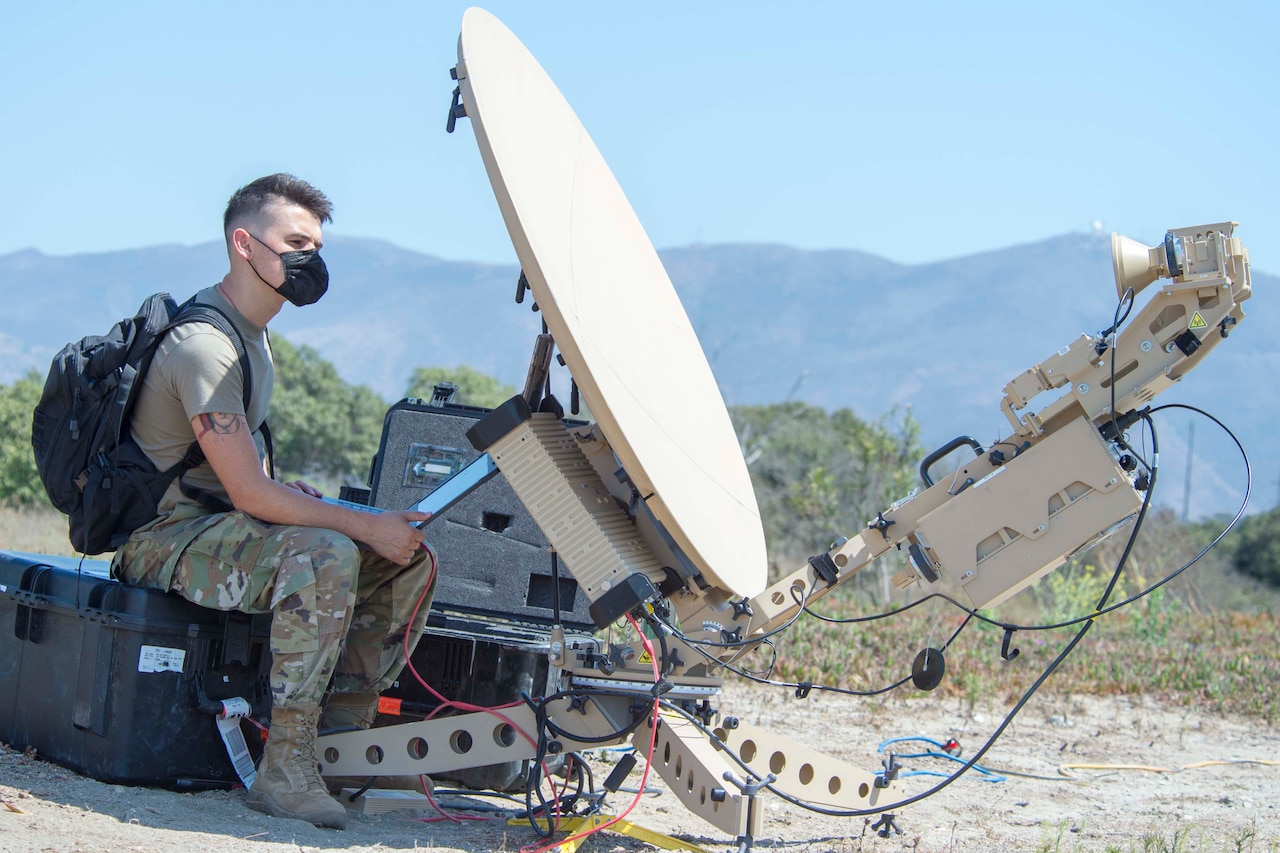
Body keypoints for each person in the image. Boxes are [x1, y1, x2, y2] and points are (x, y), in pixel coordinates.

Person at [111, 173, 436, 829]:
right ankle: (285, 769)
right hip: (161, 539)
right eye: (294, 242)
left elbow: (248, 479)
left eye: (314, 245)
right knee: (328, 550)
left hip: (217, 527)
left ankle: (341, 747)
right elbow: (248, 493)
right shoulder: (205, 344)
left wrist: (302, 499)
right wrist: (364, 522)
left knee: (409, 560)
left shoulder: (254, 336)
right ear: (243, 243)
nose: (307, 259)